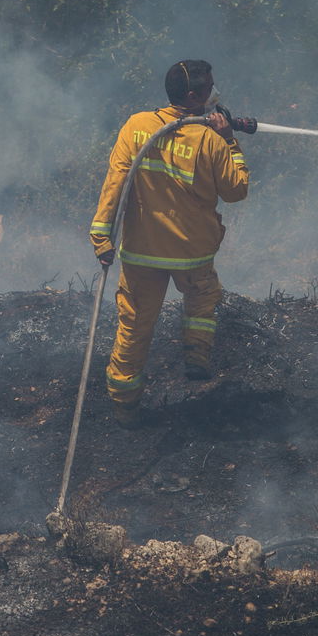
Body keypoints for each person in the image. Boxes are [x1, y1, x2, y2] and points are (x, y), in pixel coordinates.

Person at [89, 60, 249, 426]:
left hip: (142, 252)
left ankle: (124, 406)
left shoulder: (136, 127)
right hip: (192, 253)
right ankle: (196, 358)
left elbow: (115, 183)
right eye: (208, 87)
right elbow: (236, 190)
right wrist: (230, 141)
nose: (214, 92)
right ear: (193, 96)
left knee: (133, 327)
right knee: (202, 300)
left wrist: (101, 235)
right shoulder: (211, 138)